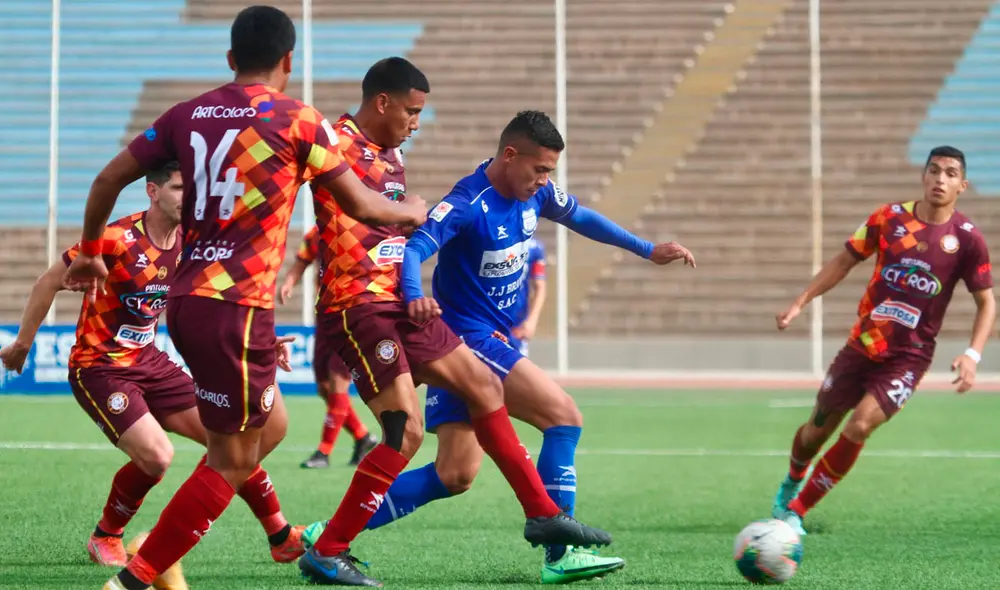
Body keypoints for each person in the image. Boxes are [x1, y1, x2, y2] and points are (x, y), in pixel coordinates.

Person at [63, 7, 428, 590]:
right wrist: (414, 212)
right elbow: (364, 206)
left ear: (230, 60)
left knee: (267, 429)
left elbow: (107, 179)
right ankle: (136, 577)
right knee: (233, 457)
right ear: (289, 60)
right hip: (237, 305)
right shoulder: (298, 119)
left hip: (185, 301)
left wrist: (88, 249)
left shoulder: (187, 115)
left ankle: (261, 538)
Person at [298, 63, 612, 587]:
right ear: (382, 103)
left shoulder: (392, 152)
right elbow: (368, 216)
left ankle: (542, 516)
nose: (417, 123)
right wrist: (411, 216)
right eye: (412, 111)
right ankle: (329, 547)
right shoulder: (330, 141)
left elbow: (396, 235)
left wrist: (414, 287)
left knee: (482, 394)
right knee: (406, 433)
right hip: (357, 305)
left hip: (401, 303)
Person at [355, 110, 694, 583]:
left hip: (478, 342)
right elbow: (414, 249)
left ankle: (327, 533)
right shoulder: (469, 201)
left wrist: (646, 248)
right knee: (563, 417)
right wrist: (414, 295)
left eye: (550, 172)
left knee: (454, 474)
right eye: (540, 170)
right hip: (468, 337)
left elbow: (582, 216)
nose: (545, 181)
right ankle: (562, 553)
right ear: (510, 155)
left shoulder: (535, 195)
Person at [0, 163, 301, 588]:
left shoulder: (195, 244)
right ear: (152, 191)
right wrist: (22, 345)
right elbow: (48, 281)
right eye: (179, 188)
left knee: (231, 438)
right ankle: (107, 534)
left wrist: (263, 342)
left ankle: (280, 534)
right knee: (158, 457)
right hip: (99, 367)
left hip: (150, 362)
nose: (188, 197)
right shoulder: (116, 239)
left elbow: (224, 297)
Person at [771, 145, 995, 536]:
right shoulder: (888, 218)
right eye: (934, 171)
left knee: (859, 426)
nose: (940, 179)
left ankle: (796, 509)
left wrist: (973, 355)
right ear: (923, 176)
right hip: (861, 347)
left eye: (950, 173)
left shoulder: (966, 239)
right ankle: (791, 481)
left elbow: (986, 302)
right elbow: (844, 261)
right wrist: (800, 302)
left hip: (908, 357)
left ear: (962, 185)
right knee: (816, 431)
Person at [279, 225, 378, 468]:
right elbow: (302, 261)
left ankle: (323, 452)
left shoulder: (360, 231)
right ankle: (363, 437)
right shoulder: (317, 233)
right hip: (323, 319)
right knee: (324, 388)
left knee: (337, 385)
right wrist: (289, 283)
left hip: (350, 318)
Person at [510, 236, 547, 356]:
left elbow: (540, 286)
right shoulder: (489, 241)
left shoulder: (534, 247)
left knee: (516, 370)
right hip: (490, 321)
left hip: (516, 326)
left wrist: (532, 320)